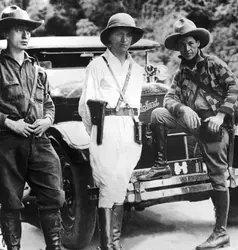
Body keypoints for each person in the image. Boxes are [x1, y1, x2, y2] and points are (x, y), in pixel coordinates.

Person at [137, 17, 238, 249]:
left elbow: (235, 88)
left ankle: (221, 232)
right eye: (182, 45)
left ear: (198, 44)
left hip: (216, 124)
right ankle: (161, 164)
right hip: (192, 121)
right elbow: (168, 98)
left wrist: (220, 116)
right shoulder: (181, 72)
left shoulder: (214, 64)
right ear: (178, 48)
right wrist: (183, 108)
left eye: (191, 43)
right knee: (157, 115)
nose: (187, 48)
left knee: (217, 177)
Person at [0, 5, 65, 250]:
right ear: (7, 33)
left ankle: (54, 247)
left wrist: (47, 121)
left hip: (39, 141)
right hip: (8, 142)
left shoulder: (38, 71)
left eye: (28, 30)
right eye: (19, 30)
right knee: (10, 201)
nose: (25, 35)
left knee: (54, 196)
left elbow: (49, 105)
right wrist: (9, 122)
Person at [78, 13, 145, 250]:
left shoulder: (136, 69)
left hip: (129, 131)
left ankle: (113, 242)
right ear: (109, 38)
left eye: (129, 34)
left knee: (121, 184)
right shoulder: (96, 66)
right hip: (105, 129)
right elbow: (86, 106)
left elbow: (137, 107)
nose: (124, 39)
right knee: (108, 185)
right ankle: (108, 245)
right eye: (119, 33)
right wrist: (96, 131)